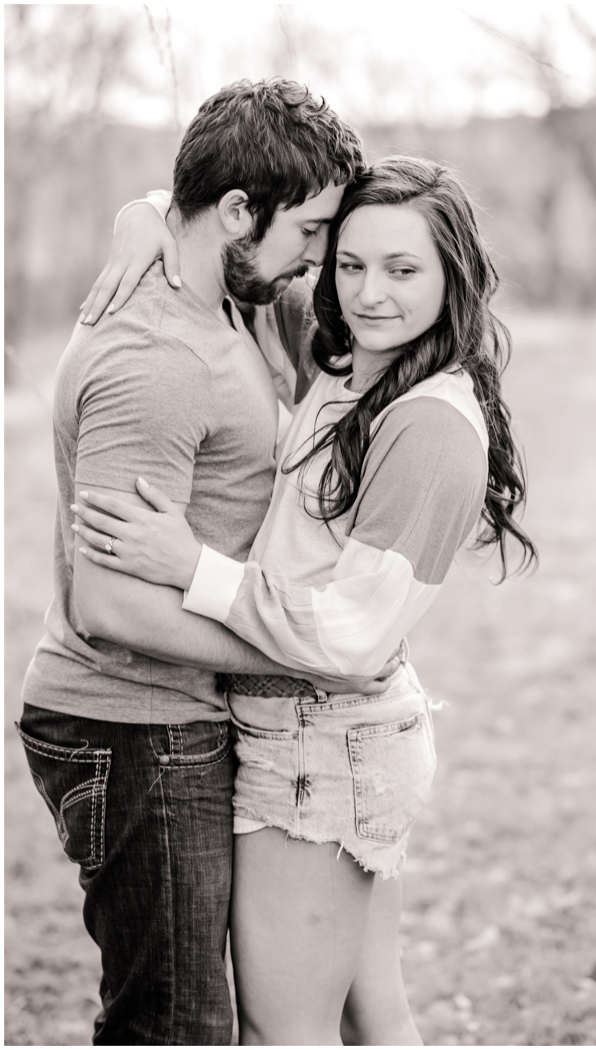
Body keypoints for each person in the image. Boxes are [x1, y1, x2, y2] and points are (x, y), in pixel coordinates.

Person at [70, 154, 535, 1044]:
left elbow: (354, 631)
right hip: (332, 736)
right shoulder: (340, 353)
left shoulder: (430, 423)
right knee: (371, 1014)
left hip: (325, 748)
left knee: (285, 1033)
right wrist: (146, 212)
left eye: (404, 271)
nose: (369, 293)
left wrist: (188, 563)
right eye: (349, 263)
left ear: (454, 275)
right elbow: (229, 236)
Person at [16, 78, 365, 1044]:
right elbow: (111, 606)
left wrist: (146, 214)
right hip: (134, 727)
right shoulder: (158, 355)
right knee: (174, 1025)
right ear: (239, 212)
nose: (314, 259)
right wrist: (302, 657)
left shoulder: (231, 304)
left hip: (174, 718)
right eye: (308, 231)